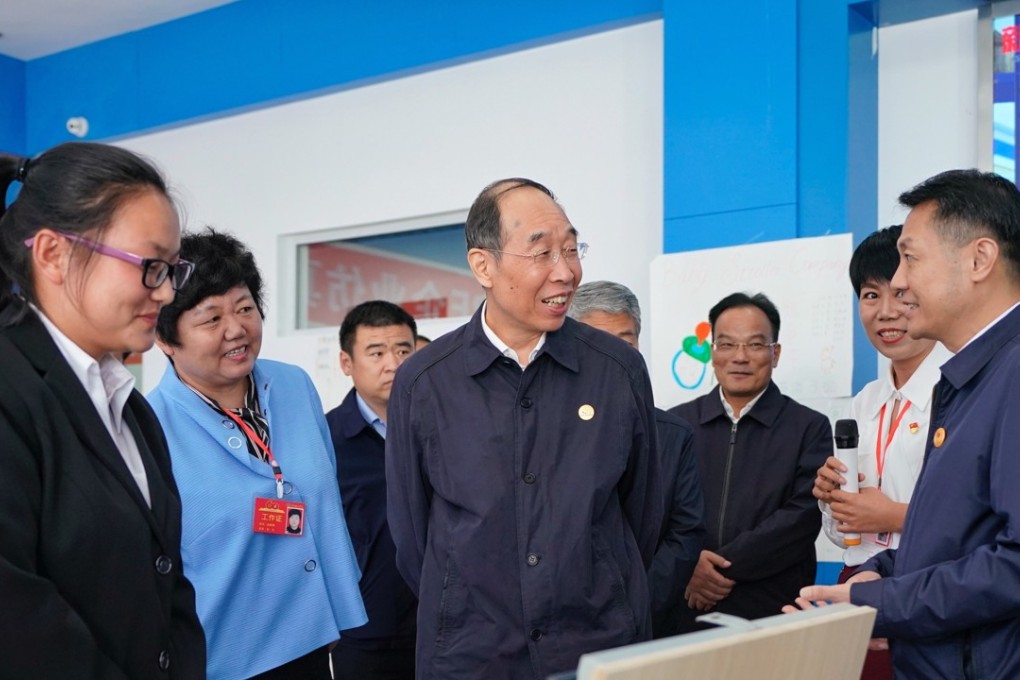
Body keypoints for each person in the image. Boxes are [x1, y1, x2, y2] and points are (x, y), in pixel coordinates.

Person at [386, 178, 662, 679]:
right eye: (542, 252)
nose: (566, 272)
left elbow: (641, 514)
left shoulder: (617, 370)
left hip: (596, 646)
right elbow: (412, 537)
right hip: (473, 655)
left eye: (572, 249)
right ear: (483, 265)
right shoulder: (425, 381)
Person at [791, 170, 1020, 679]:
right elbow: (952, 540)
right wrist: (867, 586)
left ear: (980, 259)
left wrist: (885, 601)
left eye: (910, 258)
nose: (898, 282)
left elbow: (1012, 564)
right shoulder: (968, 379)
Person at [0, 142, 206, 678]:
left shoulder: (131, 408)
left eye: (171, 270)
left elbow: (167, 584)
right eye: (150, 266)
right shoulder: (11, 387)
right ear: (52, 254)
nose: (164, 295)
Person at [147, 228, 366, 680]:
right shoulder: (149, 428)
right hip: (222, 657)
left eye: (245, 308)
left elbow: (325, 498)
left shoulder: (293, 385)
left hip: (314, 637)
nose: (236, 329)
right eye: (211, 319)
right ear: (165, 339)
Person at [812, 226, 951, 680]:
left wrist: (892, 516)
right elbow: (846, 534)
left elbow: (980, 520)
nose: (886, 312)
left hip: (931, 592)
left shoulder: (958, 391)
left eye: (900, 294)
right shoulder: (865, 402)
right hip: (859, 588)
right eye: (871, 296)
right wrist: (833, 502)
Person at [669, 292, 831, 630]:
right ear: (712, 352)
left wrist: (716, 570)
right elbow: (658, 512)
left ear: (776, 354)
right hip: (686, 609)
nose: (739, 357)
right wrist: (688, 566)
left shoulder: (809, 427)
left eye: (755, 345)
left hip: (773, 611)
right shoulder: (676, 424)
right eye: (726, 345)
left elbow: (801, 517)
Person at [567, 280, 706, 637]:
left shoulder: (673, 434)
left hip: (649, 619)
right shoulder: (542, 430)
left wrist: (635, 597)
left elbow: (685, 532)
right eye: (598, 342)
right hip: (563, 622)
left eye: (626, 342)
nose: (615, 355)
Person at [326, 300, 418, 679]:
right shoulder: (324, 440)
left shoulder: (440, 431)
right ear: (347, 363)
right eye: (376, 352)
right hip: (362, 632)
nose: (393, 364)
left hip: (439, 627)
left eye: (403, 350)